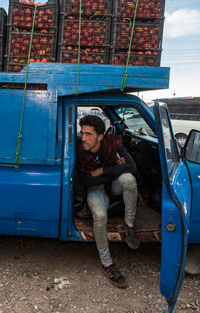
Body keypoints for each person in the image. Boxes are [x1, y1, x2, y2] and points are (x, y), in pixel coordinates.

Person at [77, 115, 140, 288]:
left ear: (100, 136)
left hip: (111, 182)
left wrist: (105, 170)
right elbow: (87, 181)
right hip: (95, 190)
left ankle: (129, 224)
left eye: (89, 134)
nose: (83, 138)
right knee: (99, 216)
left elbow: (132, 167)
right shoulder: (80, 150)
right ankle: (107, 264)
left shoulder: (113, 143)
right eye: (82, 133)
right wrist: (115, 169)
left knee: (128, 179)